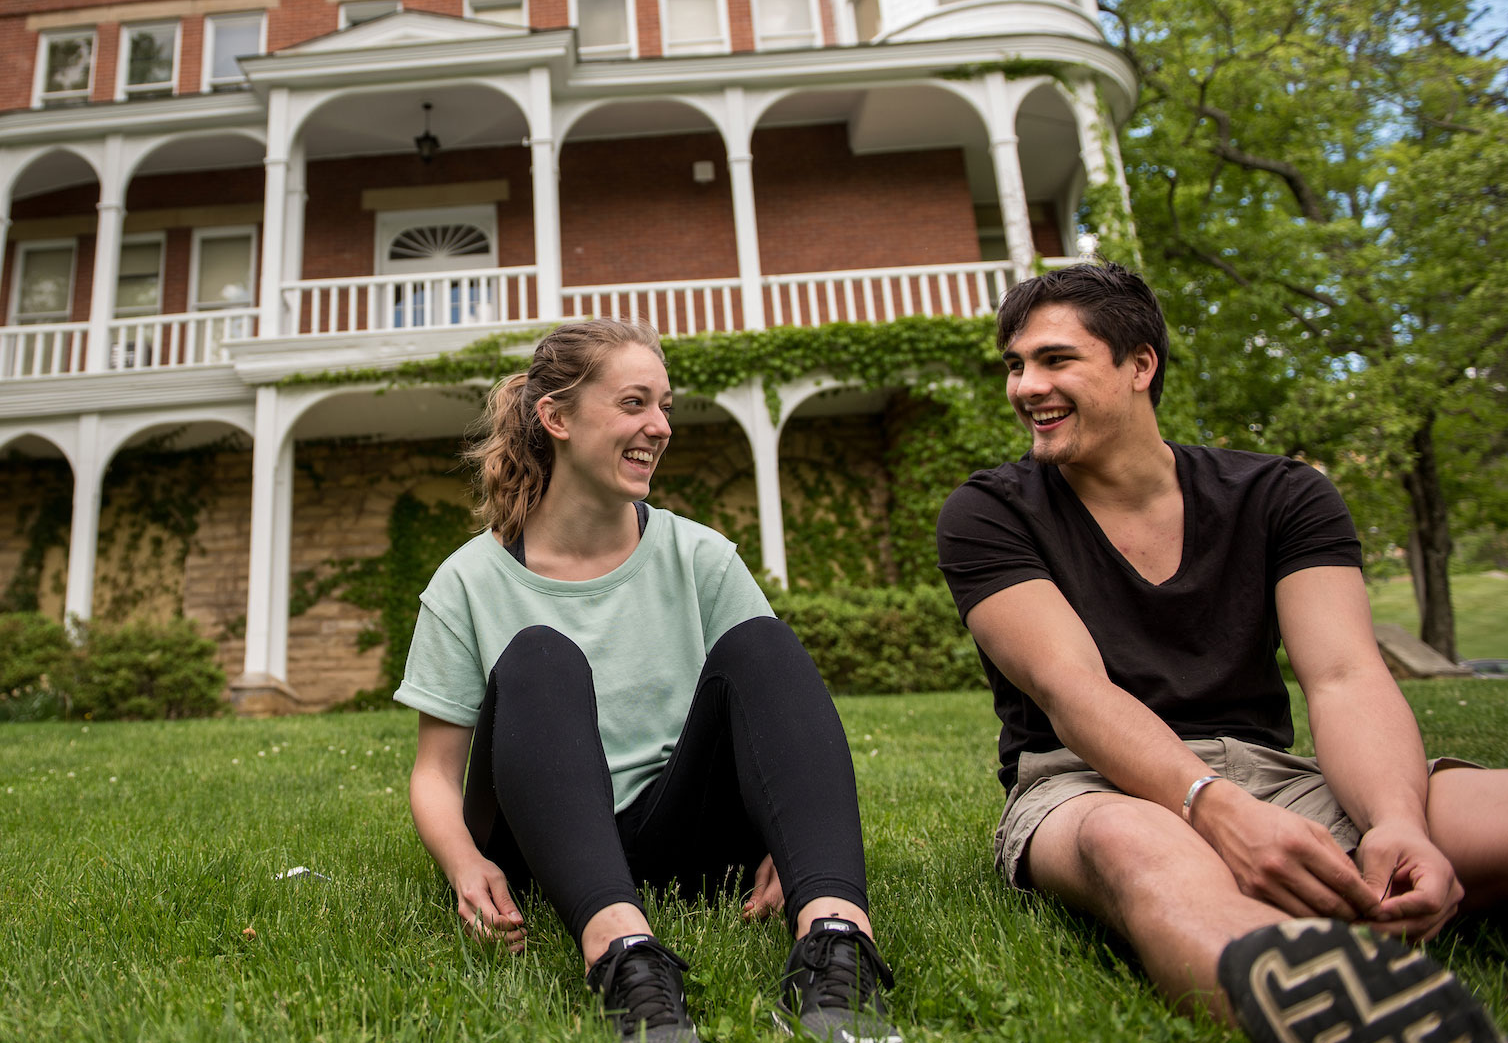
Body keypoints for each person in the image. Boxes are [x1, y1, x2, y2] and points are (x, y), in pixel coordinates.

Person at [936, 262, 1508, 1043]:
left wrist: (1397, 822)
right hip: (1086, 790)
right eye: (1015, 364)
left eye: (1054, 359)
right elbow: (1073, 691)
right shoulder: (990, 510)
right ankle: (1316, 992)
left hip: (1274, 777)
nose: (1024, 385)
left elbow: (1343, 676)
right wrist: (1214, 807)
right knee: (1139, 850)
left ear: (1141, 365)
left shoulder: (1283, 496)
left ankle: (1332, 899)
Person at [397, 318, 901, 1043]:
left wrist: (785, 845)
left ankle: (835, 946)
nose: (660, 426)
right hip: (543, 844)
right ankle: (625, 957)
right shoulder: (467, 581)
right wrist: (464, 864)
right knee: (540, 653)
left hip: (686, 836)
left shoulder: (701, 556)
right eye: (635, 403)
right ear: (557, 418)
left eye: (664, 405)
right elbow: (436, 774)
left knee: (761, 641)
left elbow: (769, 718)